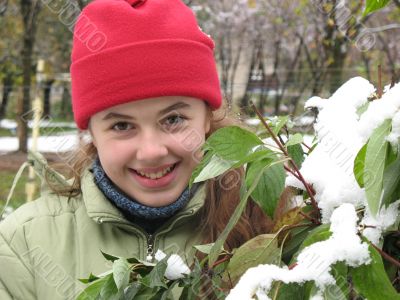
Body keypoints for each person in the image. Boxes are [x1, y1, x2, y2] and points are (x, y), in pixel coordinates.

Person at [0, 0, 271, 299]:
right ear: (91, 131)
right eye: (121, 126)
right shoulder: (22, 245)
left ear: (207, 115)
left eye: (174, 119)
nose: (151, 151)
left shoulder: (269, 226)